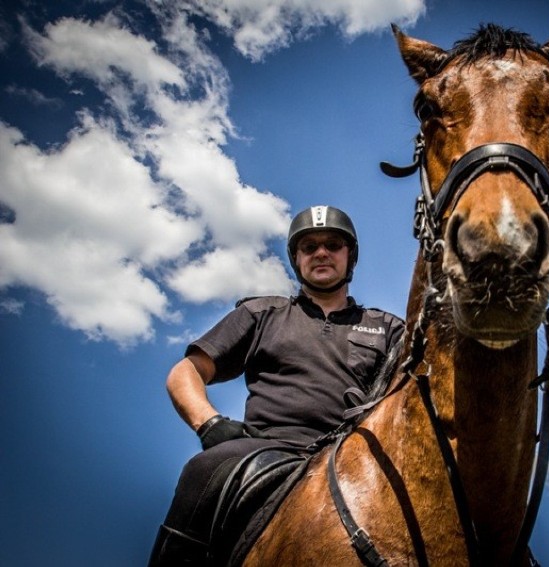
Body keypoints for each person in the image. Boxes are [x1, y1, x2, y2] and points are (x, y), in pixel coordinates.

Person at [148, 205, 404, 566]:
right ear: (296, 258)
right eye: (309, 246)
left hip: (357, 456)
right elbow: (186, 372)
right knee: (202, 470)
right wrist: (210, 424)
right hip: (267, 448)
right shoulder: (262, 313)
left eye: (333, 244)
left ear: (351, 256)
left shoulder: (389, 328)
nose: (321, 253)